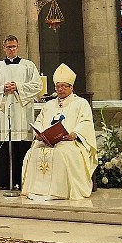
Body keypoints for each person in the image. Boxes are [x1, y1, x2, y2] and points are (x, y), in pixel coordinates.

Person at [20, 64, 97, 201]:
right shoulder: (49, 105)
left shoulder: (81, 103)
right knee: (32, 152)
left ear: (71, 88)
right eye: (58, 86)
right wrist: (39, 133)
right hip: (48, 142)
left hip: (70, 142)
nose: (60, 89)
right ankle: (36, 190)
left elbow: (85, 122)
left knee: (61, 154)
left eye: (63, 86)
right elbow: (39, 120)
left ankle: (58, 192)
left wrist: (74, 133)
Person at [0, 35, 41, 190]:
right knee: (3, 145)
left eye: (14, 46)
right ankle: (2, 181)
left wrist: (18, 87)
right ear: (4, 48)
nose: (11, 49)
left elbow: (37, 85)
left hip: (22, 112)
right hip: (3, 113)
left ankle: (22, 180)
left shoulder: (28, 66)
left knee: (21, 144)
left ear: (18, 47)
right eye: (8, 47)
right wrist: (3, 89)